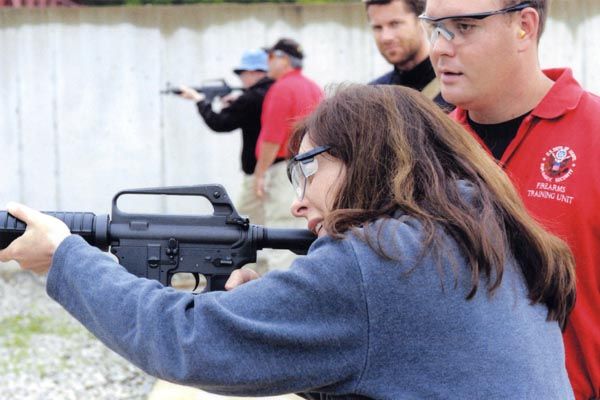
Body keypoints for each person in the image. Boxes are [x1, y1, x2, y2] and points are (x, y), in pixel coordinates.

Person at [0, 85, 576, 399]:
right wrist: (287, 339)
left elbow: (185, 340)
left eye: (306, 171)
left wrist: (63, 255)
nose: (298, 202)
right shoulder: (491, 234)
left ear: (366, 159)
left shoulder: (384, 258)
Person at [421, 0, 599, 397]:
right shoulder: (420, 154)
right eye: (434, 27)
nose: (439, 47)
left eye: (464, 27)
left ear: (524, 26)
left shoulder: (595, 136)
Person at [179, 49, 274, 274]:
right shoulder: (268, 93)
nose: (241, 78)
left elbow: (219, 123)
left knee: (243, 226)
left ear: (253, 72)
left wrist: (200, 101)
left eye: (243, 73)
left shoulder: (252, 98)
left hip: (259, 173)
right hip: (272, 170)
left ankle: (250, 272)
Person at [252, 37, 323, 271]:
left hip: (287, 170)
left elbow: (272, 137)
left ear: (284, 60)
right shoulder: (312, 86)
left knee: (280, 232)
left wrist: (260, 173)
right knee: (303, 232)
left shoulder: (281, 88)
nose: (267, 63)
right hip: (313, 169)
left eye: (271, 57)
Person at [365, 0, 451, 109]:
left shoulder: (454, 90)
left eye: (395, 24)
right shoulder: (372, 96)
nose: (386, 37)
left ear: (421, 21)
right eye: (377, 27)